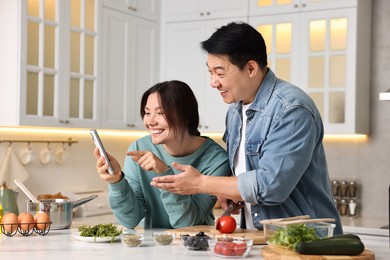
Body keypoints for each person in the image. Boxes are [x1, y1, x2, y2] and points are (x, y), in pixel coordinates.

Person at [150, 22, 343, 235]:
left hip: (304, 242)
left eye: (220, 73)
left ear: (250, 68)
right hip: (260, 239)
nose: (213, 82)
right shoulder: (235, 111)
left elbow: (271, 186)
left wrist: (202, 183)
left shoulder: (291, 108)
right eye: (210, 73)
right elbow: (247, 174)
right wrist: (229, 191)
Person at [94, 80, 231, 229]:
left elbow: (187, 225)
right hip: (151, 247)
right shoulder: (139, 148)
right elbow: (130, 220)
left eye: (160, 113)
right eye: (147, 113)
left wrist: (164, 172)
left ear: (185, 116)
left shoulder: (217, 160)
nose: (150, 121)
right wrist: (116, 181)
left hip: (195, 246)